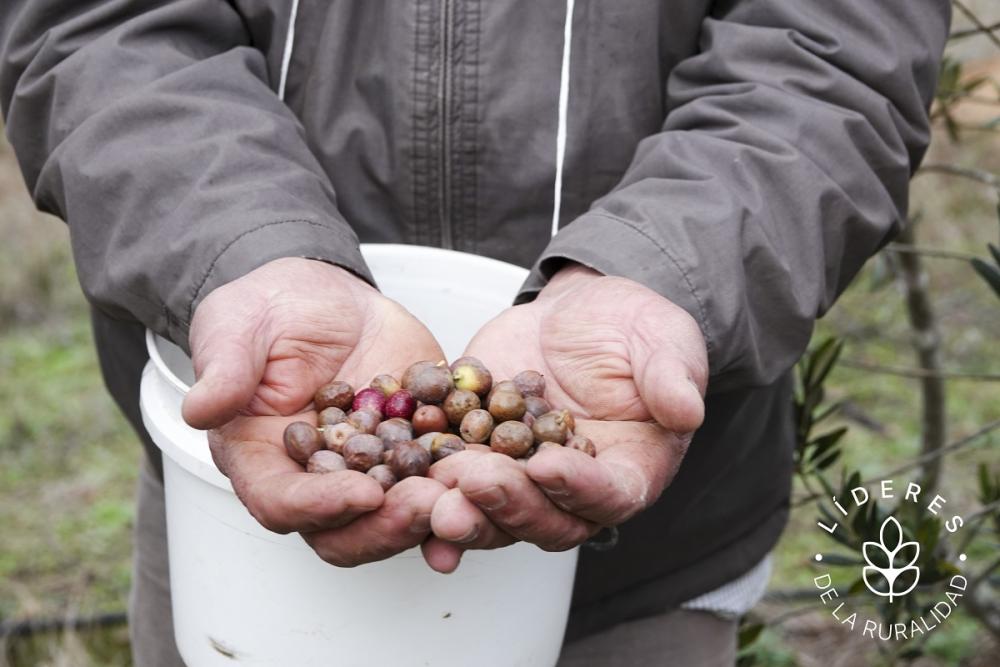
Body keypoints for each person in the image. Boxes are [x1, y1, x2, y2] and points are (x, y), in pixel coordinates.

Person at [0, 1, 949, 665]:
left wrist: (665, 271)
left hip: (646, 558)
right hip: (240, 543)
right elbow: (98, 26)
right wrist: (238, 248)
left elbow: (831, 51)